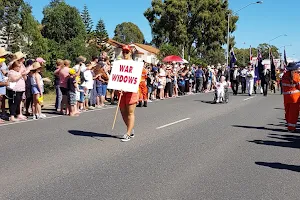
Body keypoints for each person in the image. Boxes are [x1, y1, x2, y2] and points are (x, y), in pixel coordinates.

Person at [119, 45, 139, 142]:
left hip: (131, 92)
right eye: (123, 52)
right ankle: (130, 129)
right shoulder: (119, 64)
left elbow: (136, 79)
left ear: (130, 52)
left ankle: (128, 133)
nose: (125, 54)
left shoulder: (135, 64)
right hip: (121, 92)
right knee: (123, 112)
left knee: (130, 112)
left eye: (127, 52)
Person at [282, 62, 300, 132]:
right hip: (295, 97)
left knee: (288, 112)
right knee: (294, 113)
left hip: (286, 97)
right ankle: (291, 128)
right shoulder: (296, 76)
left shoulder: (284, 76)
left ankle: (289, 125)